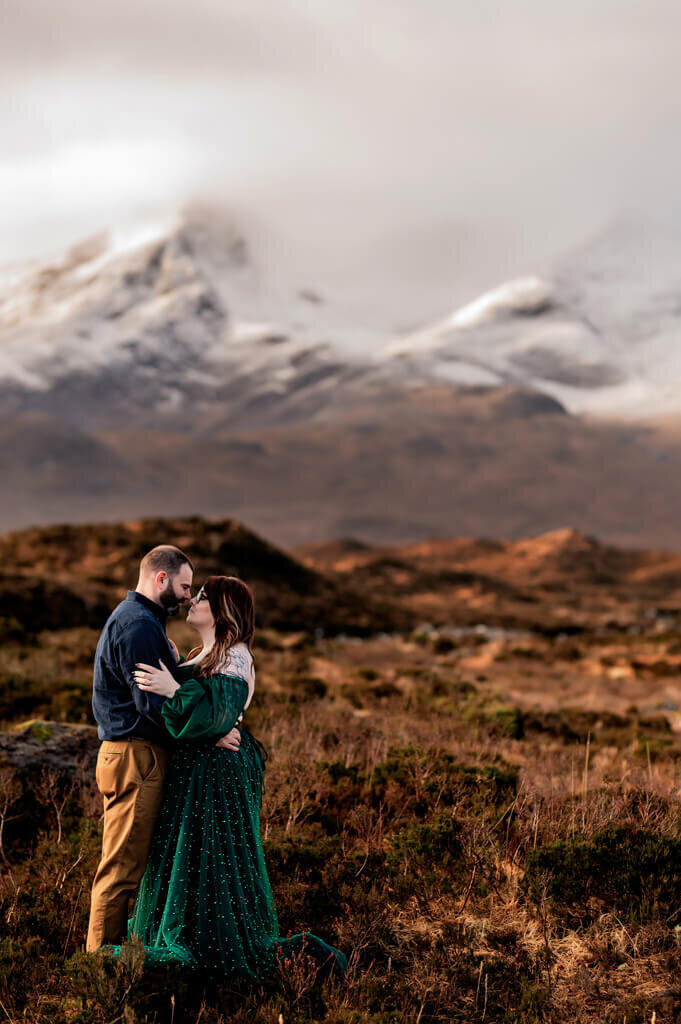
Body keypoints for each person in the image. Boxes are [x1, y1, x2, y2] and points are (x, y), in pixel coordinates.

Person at [126, 574, 347, 977]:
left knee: (211, 858)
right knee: (186, 857)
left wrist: (174, 688)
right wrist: (178, 671)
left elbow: (217, 716)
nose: (193, 601)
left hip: (216, 777)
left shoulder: (235, 657)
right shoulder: (207, 652)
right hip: (195, 774)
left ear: (223, 611)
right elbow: (205, 715)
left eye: (203, 597)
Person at [86, 546, 241, 952]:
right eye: (185, 587)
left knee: (132, 864)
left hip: (135, 755)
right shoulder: (139, 626)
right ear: (161, 579)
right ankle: (99, 964)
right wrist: (210, 734)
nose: (189, 596)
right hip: (135, 756)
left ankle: (111, 957)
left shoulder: (143, 622)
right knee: (122, 868)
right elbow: (152, 706)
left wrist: (173, 665)